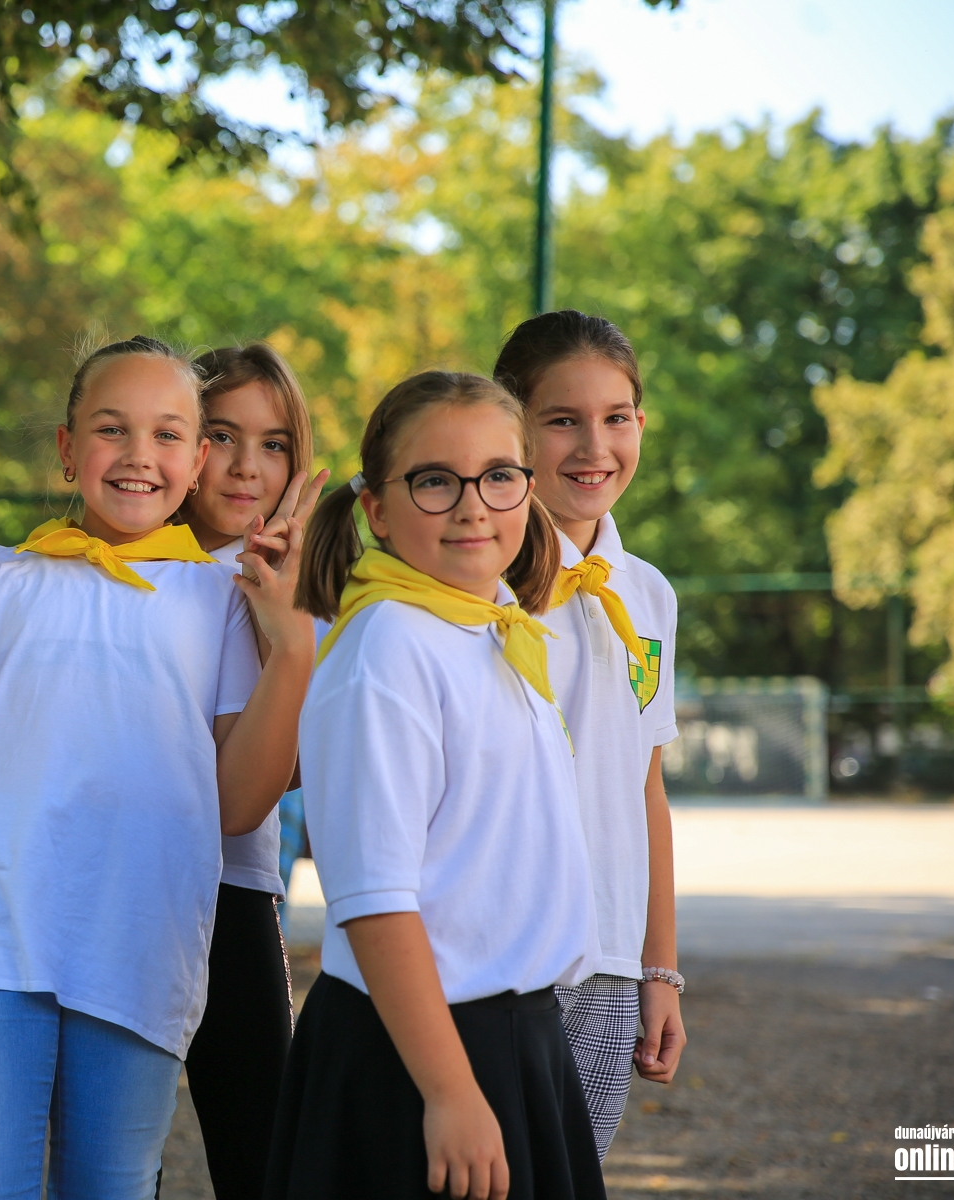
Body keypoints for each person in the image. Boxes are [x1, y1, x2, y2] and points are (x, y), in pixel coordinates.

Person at [0, 335, 313, 1199]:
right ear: (68, 449)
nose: (139, 455)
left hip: (139, 947)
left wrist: (292, 644)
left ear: (195, 461)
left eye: (167, 435)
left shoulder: (226, 600)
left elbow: (238, 804)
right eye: (112, 430)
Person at [267, 371, 604, 1200]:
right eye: (433, 481)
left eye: (499, 476)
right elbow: (375, 900)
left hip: (513, 1037)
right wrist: (451, 1091)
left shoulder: (493, 627)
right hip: (418, 1053)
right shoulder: (389, 648)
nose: (472, 507)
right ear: (376, 509)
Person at [494, 310, 686, 1158]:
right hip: (504, 954)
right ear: (512, 428)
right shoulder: (480, 583)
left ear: (640, 423)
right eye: (563, 421)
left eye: (615, 418)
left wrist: (658, 970)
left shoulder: (648, 593)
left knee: (573, 1177)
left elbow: (645, 787)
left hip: (608, 963)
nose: (594, 447)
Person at [177, 343, 326, 1200]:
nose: (246, 466)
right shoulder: (120, 566)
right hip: (113, 885)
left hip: (235, 890)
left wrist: (282, 622)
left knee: (264, 1146)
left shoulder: (304, 586)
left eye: (274, 444)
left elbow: (296, 768)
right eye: (222, 435)